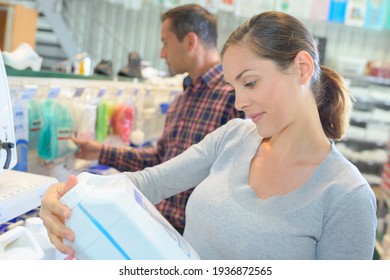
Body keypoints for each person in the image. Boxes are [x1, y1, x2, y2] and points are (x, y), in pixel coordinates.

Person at [40, 11, 377, 259]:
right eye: (233, 87)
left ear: (302, 68)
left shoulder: (347, 197)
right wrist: (63, 195)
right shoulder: (233, 138)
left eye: (250, 82)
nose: (240, 102)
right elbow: (146, 183)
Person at [72, 4, 245, 233]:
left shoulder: (236, 97)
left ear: (190, 42)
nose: (162, 53)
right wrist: (100, 151)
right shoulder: (183, 99)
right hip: (161, 228)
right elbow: (162, 160)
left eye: (165, 42)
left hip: (198, 241)